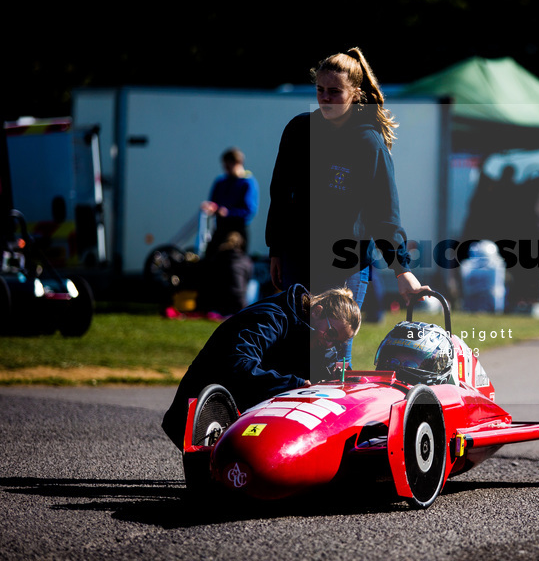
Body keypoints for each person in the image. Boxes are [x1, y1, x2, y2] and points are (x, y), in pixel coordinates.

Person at [265, 47, 427, 363]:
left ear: (354, 93)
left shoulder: (368, 141)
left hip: (346, 264)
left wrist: (401, 270)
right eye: (320, 91)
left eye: (335, 92)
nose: (325, 98)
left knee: (332, 352)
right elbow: (280, 195)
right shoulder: (299, 131)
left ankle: (335, 409)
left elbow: (385, 214)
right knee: (294, 345)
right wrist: (276, 250)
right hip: (299, 255)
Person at [161, 284, 361, 450]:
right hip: (201, 412)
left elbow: (321, 371)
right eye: (331, 334)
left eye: (337, 343)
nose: (330, 345)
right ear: (316, 312)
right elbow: (239, 366)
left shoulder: (313, 332)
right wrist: (295, 385)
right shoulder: (271, 317)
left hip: (236, 406)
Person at [202, 147, 259, 255]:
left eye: (228, 166)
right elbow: (214, 202)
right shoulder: (221, 182)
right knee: (210, 258)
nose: (226, 170)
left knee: (232, 262)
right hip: (220, 230)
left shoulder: (248, 183)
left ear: (238, 163)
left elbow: (249, 210)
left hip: (237, 232)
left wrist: (228, 213)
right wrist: (211, 207)